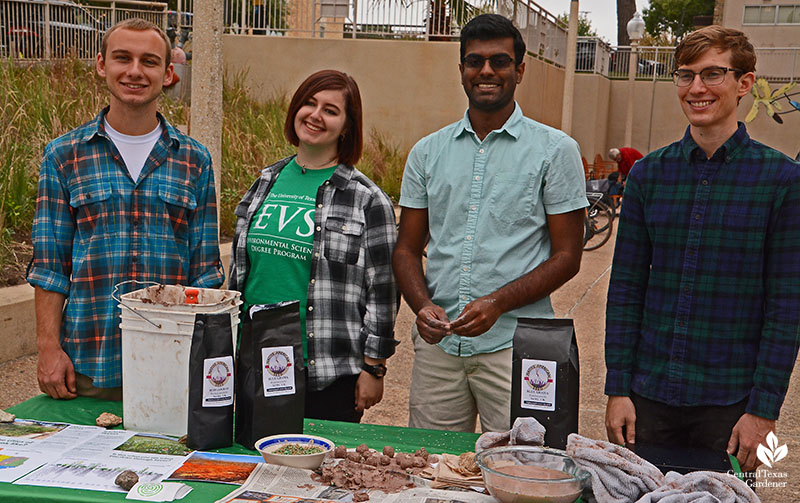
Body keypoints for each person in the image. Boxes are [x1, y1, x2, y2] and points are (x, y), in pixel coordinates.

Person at [604, 25, 800, 476]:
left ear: (744, 83)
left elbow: (785, 307)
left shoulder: (782, 183)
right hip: (648, 398)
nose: (696, 88)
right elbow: (627, 288)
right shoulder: (649, 177)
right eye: (685, 75)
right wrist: (618, 388)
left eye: (713, 74)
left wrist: (764, 410)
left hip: (731, 407)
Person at [393, 14, 588, 433]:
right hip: (439, 352)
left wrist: (498, 303)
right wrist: (422, 306)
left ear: (519, 70)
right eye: (474, 61)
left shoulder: (555, 151)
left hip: (516, 348)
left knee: (521, 473)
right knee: (432, 475)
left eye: (499, 61)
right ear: (461, 70)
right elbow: (407, 248)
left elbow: (569, 256)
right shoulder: (427, 153)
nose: (485, 71)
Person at [27, 18, 224, 401]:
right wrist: (49, 349)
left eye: (149, 61)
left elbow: (205, 273)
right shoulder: (64, 156)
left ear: (168, 73)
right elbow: (49, 268)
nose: (135, 71)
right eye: (123, 58)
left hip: (173, 364)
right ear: (102, 65)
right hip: (89, 365)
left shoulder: (194, 160)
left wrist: (208, 358)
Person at [228, 70, 398, 423]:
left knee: (316, 476)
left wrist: (374, 367)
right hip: (254, 365)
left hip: (325, 373)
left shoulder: (367, 199)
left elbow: (383, 289)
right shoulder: (265, 182)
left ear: (347, 126)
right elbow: (241, 273)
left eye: (331, 110)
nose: (315, 115)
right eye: (309, 103)